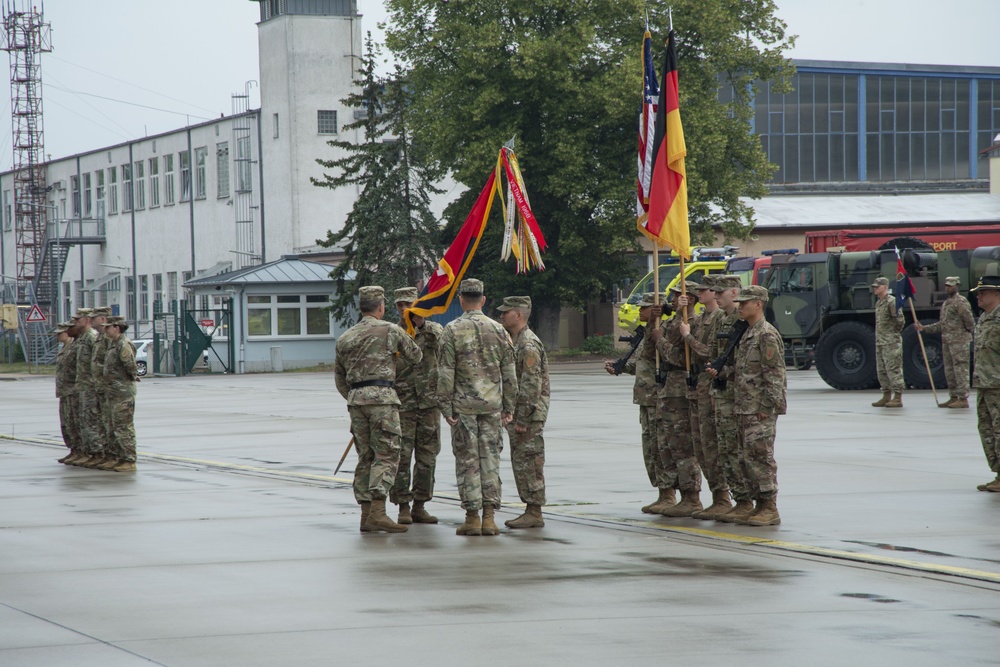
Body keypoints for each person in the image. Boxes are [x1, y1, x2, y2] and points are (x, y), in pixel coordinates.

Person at [335, 285, 422, 533]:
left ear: (361, 307)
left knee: (366, 458)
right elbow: (416, 356)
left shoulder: (346, 337)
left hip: (356, 401)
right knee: (387, 454)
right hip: (383, 400)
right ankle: (378, 511)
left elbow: (340, 379)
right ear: (381, 307)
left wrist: (356, 397)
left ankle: (365, 515)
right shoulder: (390, 330)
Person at [437, 278, 517, 536]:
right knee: (490, 461)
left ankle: (472, 517)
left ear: (461, 299)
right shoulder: (499, 330)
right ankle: (490, 517)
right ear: (483, 299)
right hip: (492, 408)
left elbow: (446, 372)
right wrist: (509, 406)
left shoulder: (451, 330)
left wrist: (445, 406)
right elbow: (510, 375)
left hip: (464, 408)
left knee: (468, 462)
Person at [604, 292, 677, 515]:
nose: (640, 311)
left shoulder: (662, 332)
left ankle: (669, 494)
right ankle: (662, 493)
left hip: (659, 397)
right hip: (646, 398)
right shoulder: (648, 333)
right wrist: (621, 367)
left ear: (655, 309)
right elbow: (645, 364)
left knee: (661, 446)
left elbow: (665, 362)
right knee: (650, 447)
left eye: (644, 308)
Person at [677, 276, 732, 519]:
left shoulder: (720, 318)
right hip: (698, 387)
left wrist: (689, 337)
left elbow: (710, 352)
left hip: (711, 386)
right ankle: (715, 496)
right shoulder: (700, 319)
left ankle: (723, 497)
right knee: (700, 446)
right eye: (698, 289)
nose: (700, 293)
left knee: (712, 445)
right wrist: (682, 310)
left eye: (704, 290)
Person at [731, 285, 787, 526]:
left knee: (761, 456)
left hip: (760, 408)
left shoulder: (766, 334)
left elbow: (774, 374)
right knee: (748, 457)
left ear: (758, 304)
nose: (740, 306)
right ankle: (757, 504)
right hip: (746, 406)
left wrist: (770, 406)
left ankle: (769, 507)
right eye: (739, 302)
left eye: (745, 302)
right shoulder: (748, 333)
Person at [389, 286, 444, 525]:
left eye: (409, 304)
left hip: (429, 404)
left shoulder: (432, 330)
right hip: (402, 404)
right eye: (400, 305)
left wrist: (422, 325)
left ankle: (420, 504)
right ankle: (403, 505)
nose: (404, 310)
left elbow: (444, 343)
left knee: (428, 456)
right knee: (401, 456)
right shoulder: (392, 333)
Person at [649, 281, 703, 518]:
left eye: (675, 296)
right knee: (668, 445)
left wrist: (660, 339)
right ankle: (676, 495)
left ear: (688, 299)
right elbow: (650, 353)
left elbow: (681, 358)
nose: (671, 300)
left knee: (683, 445)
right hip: (667, 390)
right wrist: (654, 322)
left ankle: (692, 497)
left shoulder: (690, 324)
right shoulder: (672, 321)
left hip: (680, 390)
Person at [704, 275, 753, 523]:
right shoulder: (722, 319)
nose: (716, 296)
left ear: (734, 292)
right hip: (721, 391)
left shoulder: (741, 321)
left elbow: (743, 362)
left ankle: (745, 501)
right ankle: (737, 499)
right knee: (724, 449)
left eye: (720, 293)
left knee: (735, 449)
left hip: (735, 394)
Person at [498, 295, 549, 529]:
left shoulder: (528, 344)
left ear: (518, 314)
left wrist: (523, 418)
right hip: (522, 413)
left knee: (529, 461)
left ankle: (534, 511)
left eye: (505, 312)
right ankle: (530, 508)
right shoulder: (516, 340)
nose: (501, 315)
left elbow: (530, 384)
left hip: (527, 415)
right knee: (522, 461)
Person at [914, 276, 974, 408]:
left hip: (959, 342)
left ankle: (963, 398)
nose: (948, 287)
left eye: (951, 285)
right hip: (947, 342)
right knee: (949, 371)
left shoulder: (961, 302)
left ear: (957, 286)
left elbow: (969, 322)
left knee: (960, 369)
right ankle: (953, 397)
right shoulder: (946, 303)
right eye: (946, 285)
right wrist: (924, 328)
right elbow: (943, 324)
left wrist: (964, 334)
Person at [971, 276, 1000, 492]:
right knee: (987, 429)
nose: (978, 296)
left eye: (984, 292)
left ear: (997, 294)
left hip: (998, 385)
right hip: (984, 383)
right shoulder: (984, 318)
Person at [102, 316, 139, 472]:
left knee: (124, 427)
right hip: (113, 392)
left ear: (116, 328)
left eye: (108, 327)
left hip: (122, 392)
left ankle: (128, 460)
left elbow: (130, 366)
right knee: (113, 427)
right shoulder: (113, 344)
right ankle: (118, 457)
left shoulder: (123, 344)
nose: (105, 330)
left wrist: (130, 377)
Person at [69, 308, 103, 468]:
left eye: (78, 319)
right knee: (83, 421)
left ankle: (96, 453)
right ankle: (87, 452)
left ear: (87, 320)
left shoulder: (91, 337)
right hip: (83, 386)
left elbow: (97, 362)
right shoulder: (83, 338)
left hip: (91, 387)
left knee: (91, 421)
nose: (75, 322)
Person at [871, 276, 905, 408]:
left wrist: (893, 334)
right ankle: (886, 396)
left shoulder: (892, 302)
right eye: (874, 287)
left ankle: (897, 397)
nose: (875, 289)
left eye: (877, 287)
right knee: (882, 370)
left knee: (893, 369)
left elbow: (900, 320)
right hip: (880, 342)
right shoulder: (879, 303)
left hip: (891, 342)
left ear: (885, 287)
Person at [89, 306, 114, 466]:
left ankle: (114, 456)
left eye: (94, 317)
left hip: (110, 389)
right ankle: (104, 455)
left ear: (103, 319)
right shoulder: (99, 337)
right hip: (98, 387)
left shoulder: (108, 338)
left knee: (112, 424)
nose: (90, 320)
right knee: (101, 423)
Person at [54, 321, 79, 464]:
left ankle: (79, 450)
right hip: (64, 391)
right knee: (66, 424)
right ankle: (73, 450)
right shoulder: (65, 347)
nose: (58, 336)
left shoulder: (73, 347)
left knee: (73, 422)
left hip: (72, 390)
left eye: (60, 333)